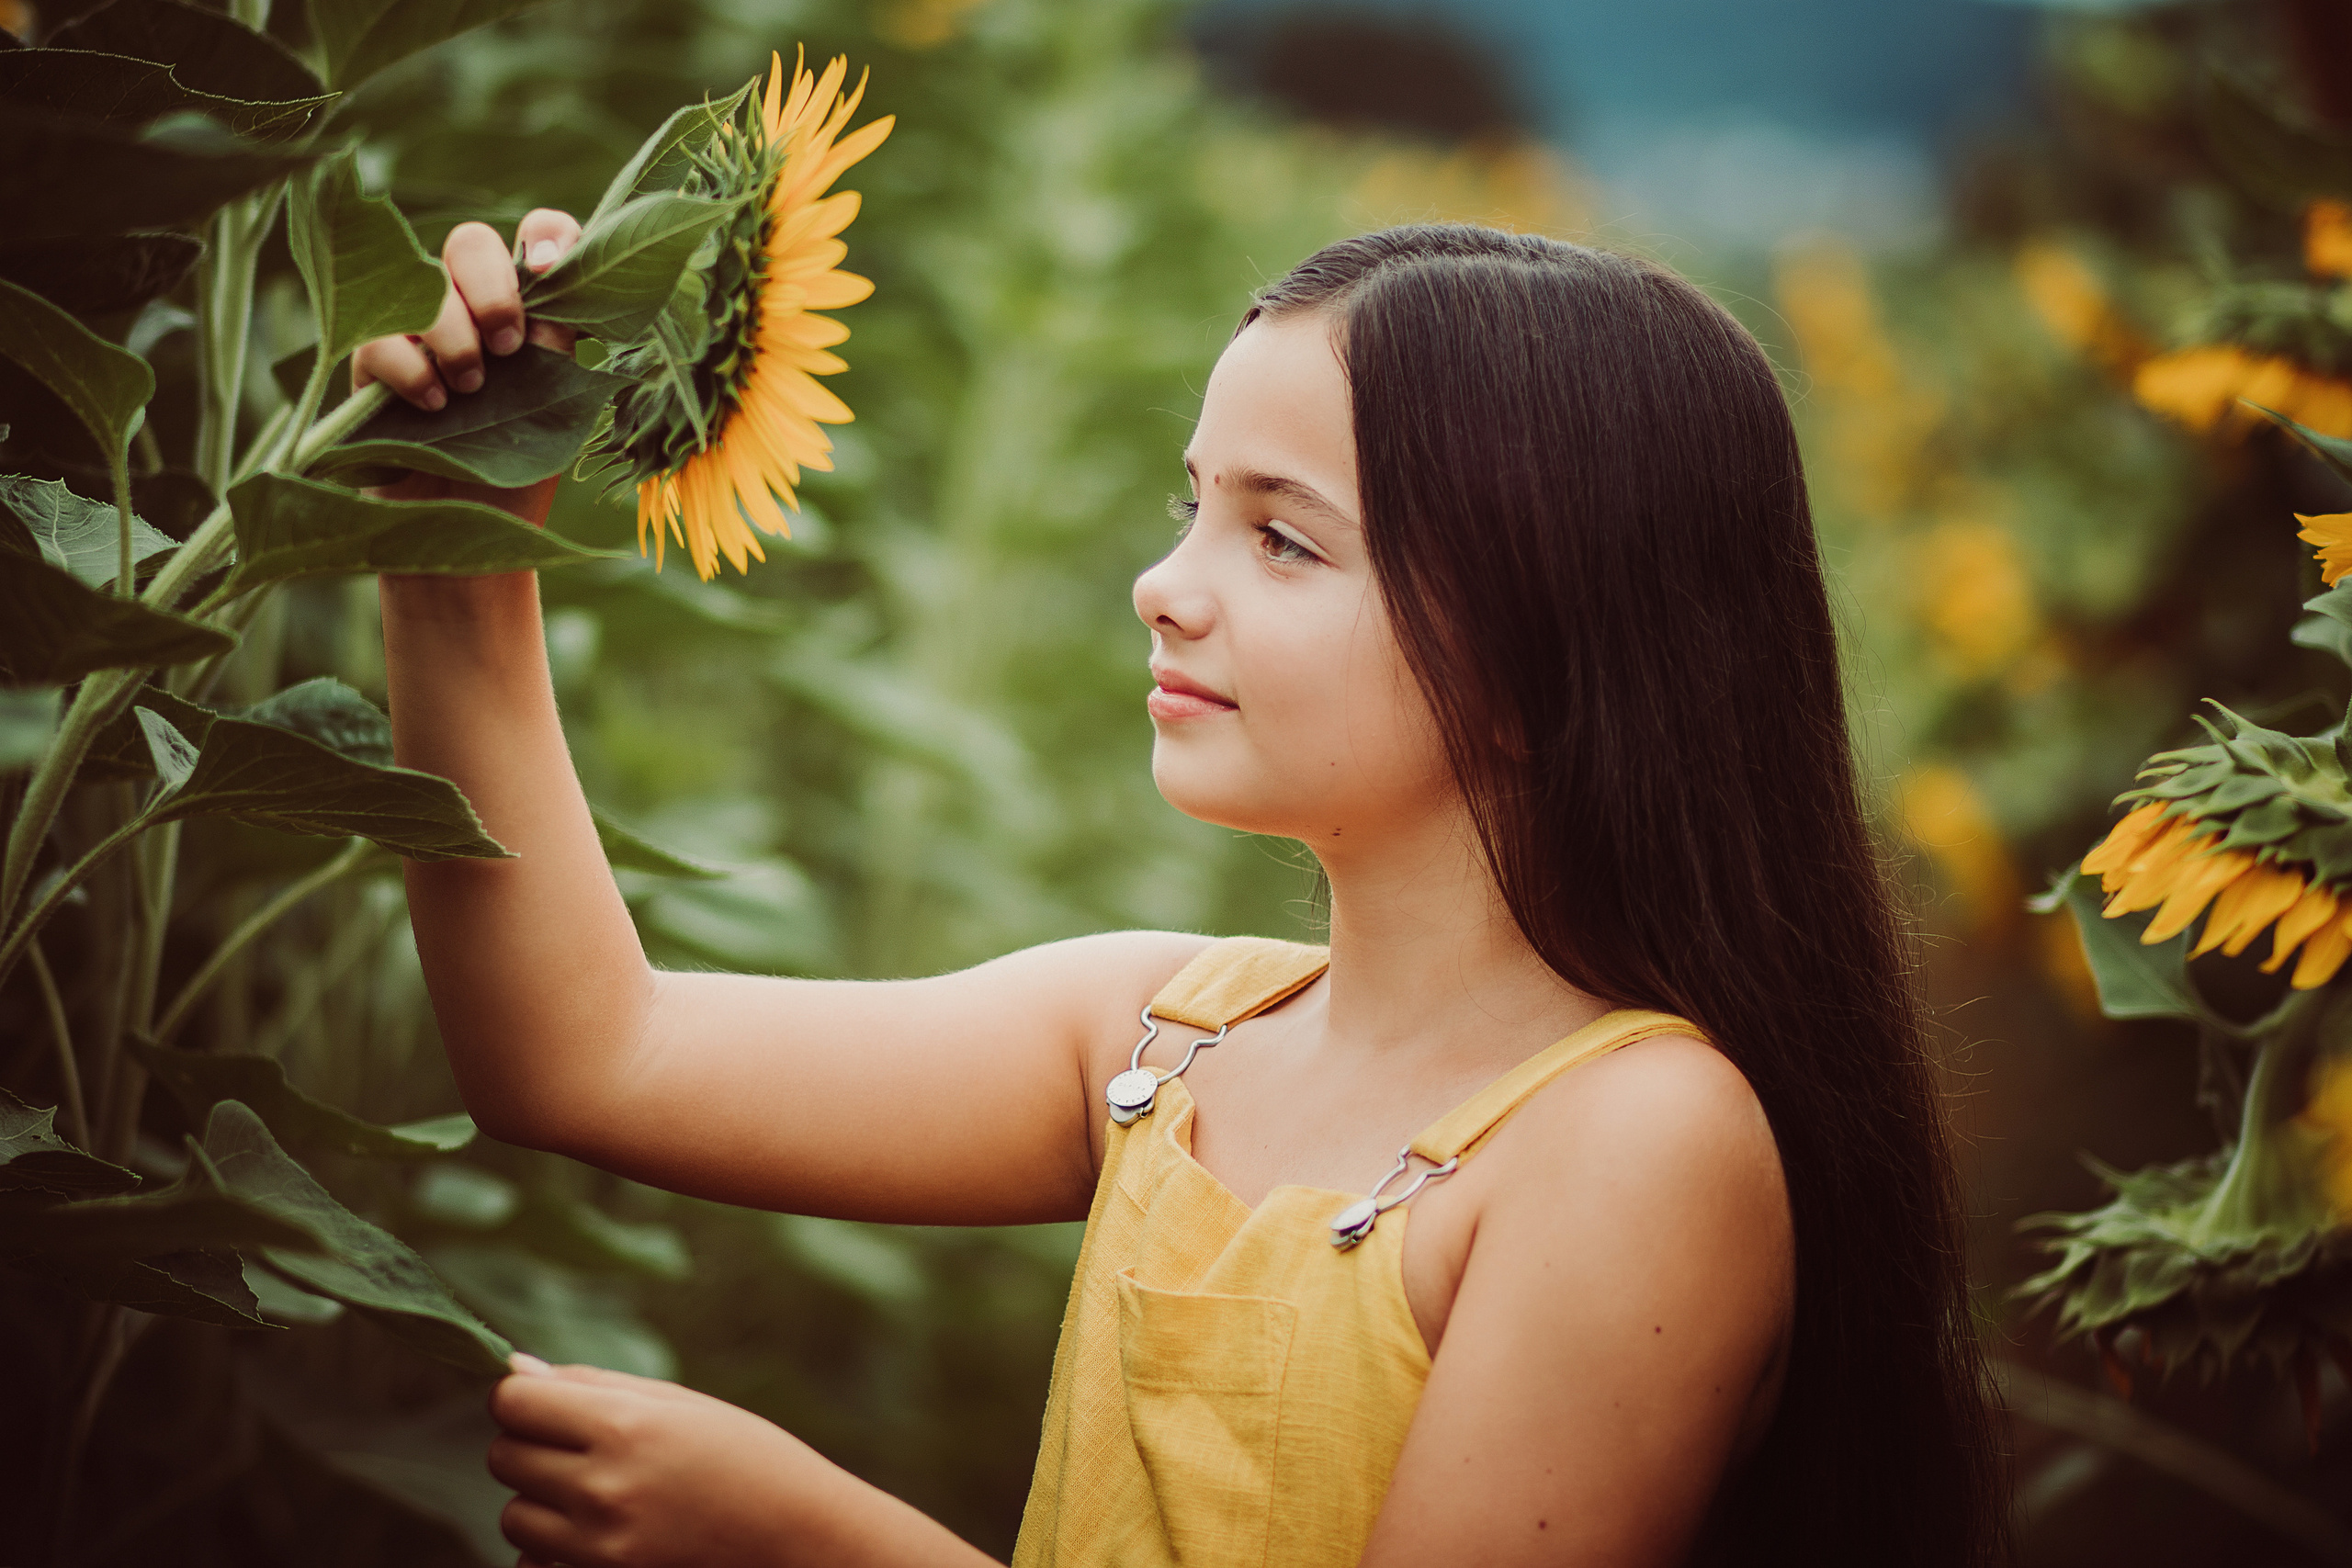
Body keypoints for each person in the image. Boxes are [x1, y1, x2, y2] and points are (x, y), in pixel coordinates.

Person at [357, 213, 2008, 1568]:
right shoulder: (1166, 1040)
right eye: (1192, 506)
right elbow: (582, 1055)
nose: (1166, 585)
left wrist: (806, 1541)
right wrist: (459, 567)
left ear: (1540, 648)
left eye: (1282, 540)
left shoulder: (1638, 1146)